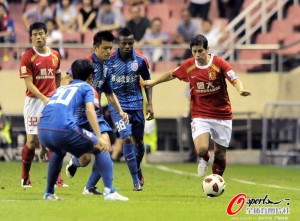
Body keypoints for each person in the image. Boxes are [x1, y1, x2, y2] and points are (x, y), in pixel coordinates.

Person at [142, 34, 251, 177]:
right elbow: (172, 74)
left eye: (200, 51)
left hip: (222, 114)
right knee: (201, 149)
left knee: (219, 153)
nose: (197, 54)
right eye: (194, 51)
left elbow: (234, 79)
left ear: (207, 49)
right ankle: (204, 158)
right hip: (200, 114)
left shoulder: (218, 63)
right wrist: (154, 82)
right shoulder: (189, 65)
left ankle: (215, 179)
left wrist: (240, 90)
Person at [38, 59, 128, 201]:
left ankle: (49, 193)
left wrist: (42, 146)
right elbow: (90, 110)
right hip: (63, 128)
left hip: (43, 130)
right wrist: (99, 136)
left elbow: (46, 112)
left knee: (58, 152)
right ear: (91, 76)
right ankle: (110, 192)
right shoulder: (87, 88)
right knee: (101, 147)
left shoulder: (60, 89)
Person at [64, 30, 129, 196]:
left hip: (95, 115)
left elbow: (109, 92)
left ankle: (90, 187)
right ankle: (75, 162)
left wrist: (121, 111)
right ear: (95, 48)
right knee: (85, 160)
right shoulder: (84, 64)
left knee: (105, 145)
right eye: (105, 48)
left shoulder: (106, 69)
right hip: (78, 117)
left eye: (110, 48)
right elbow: (66, 81)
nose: (109, 51)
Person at [19, 22, 67, 188]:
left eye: (41, 33)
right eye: (35, 35)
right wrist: (43, 98)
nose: (38, 37)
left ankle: (57, 179)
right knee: (32, 142)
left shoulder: (55, 55)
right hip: (34, 102)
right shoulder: (27, 57)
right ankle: (25, 177)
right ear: (31, 37)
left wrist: (57, 95)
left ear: (46, 34)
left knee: (55, 140)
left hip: (51, 102)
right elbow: (29, 83)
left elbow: (58, 76)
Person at [107, 27, 154, 191]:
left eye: (130, 43)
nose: (128, 46)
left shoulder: (141, 61)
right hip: (118, 107)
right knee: (126, 138)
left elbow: (148, 82)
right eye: (124, 43)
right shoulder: (109, 60)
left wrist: (150, 104)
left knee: (139, 142)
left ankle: (137, 169)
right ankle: (135, 181)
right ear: (118, 43)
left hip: (136, 105)